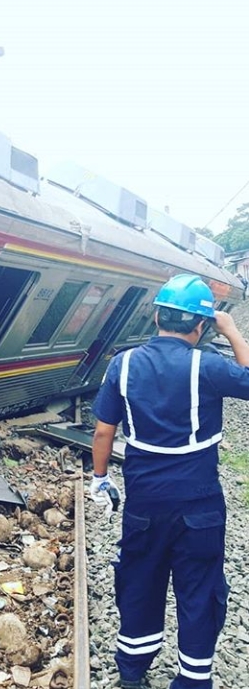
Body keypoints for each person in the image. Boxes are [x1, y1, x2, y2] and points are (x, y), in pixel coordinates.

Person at [89, 273, 249, 689]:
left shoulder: (122, 365)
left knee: (139, 578)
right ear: (201, 325)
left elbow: (103, 431)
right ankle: (193, 679)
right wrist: (233, 333)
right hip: (199, 504)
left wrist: (100, 478)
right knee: (199, 588)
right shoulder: (209, 366)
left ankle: (132, 671)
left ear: (156, 315)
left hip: (145, 501)